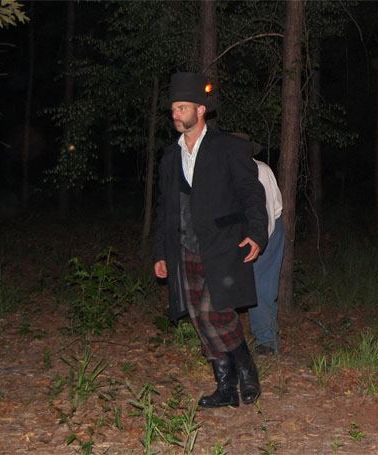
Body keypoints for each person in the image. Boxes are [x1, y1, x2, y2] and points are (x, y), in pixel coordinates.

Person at [153, 72, 268, 409]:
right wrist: (160, 251)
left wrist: (257, 234)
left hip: (222, 244)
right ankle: (225, 384)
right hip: (184, 248)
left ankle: (246, 371)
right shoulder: (170, 157)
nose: (175, 113)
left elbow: (251, 192)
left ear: (200, 110)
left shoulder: (228, 147)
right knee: (197, 314)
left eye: (182, 107)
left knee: (214, 311)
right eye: (173, 108)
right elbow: (165, 207)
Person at [232, 133, 285, 356]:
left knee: (261, 285)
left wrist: (259, 244)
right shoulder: (222, 172)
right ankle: (227, 340)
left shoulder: (259, 171)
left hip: (269, 232)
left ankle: (267, 342)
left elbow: (266, 216)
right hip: (240, 233)